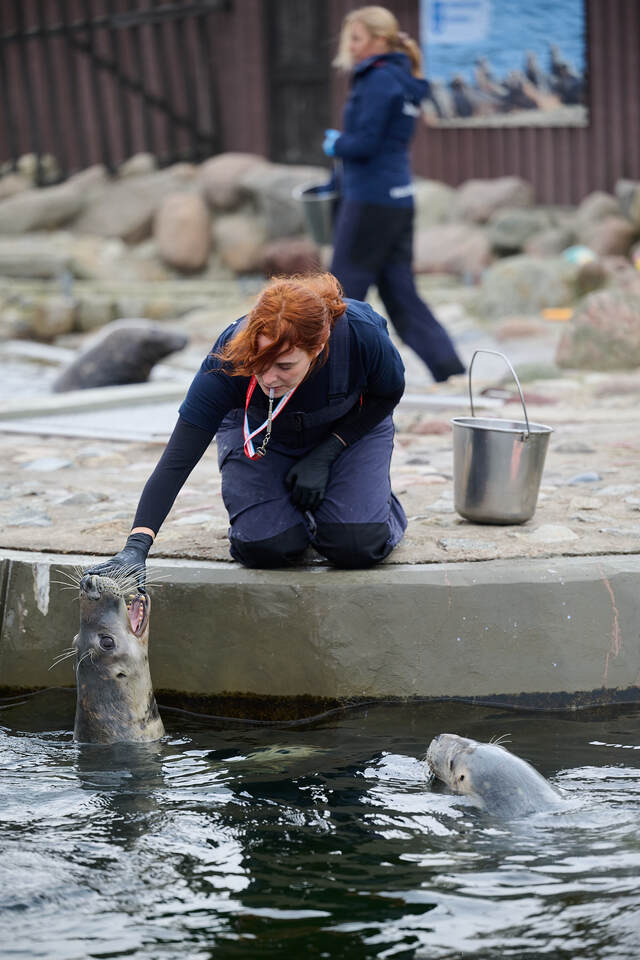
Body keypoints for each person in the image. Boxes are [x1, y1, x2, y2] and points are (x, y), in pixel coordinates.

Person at [83, 273, 407, 584]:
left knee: (356, 544)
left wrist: (330, 450)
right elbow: (178, 458)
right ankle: (296, 510)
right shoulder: (227, 358)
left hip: (347, 428)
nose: (268, 378)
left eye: (284, 365)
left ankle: (375, 502)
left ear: (319, 346)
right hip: (262, 433)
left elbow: (388, 394)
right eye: (259, 362)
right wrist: (136, 547)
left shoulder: (362, 335)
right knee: (268, 546)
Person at [324, 5, 465, 384]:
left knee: (340, 294)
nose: (350, 47)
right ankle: (450, 371)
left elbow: (366, 143)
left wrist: (338, 145)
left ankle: (327, 378)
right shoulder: (403, 79)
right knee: (401, 295)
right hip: (398, 197)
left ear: (379, 41)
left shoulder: (377, 81)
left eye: (356, 39)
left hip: (370, 199)